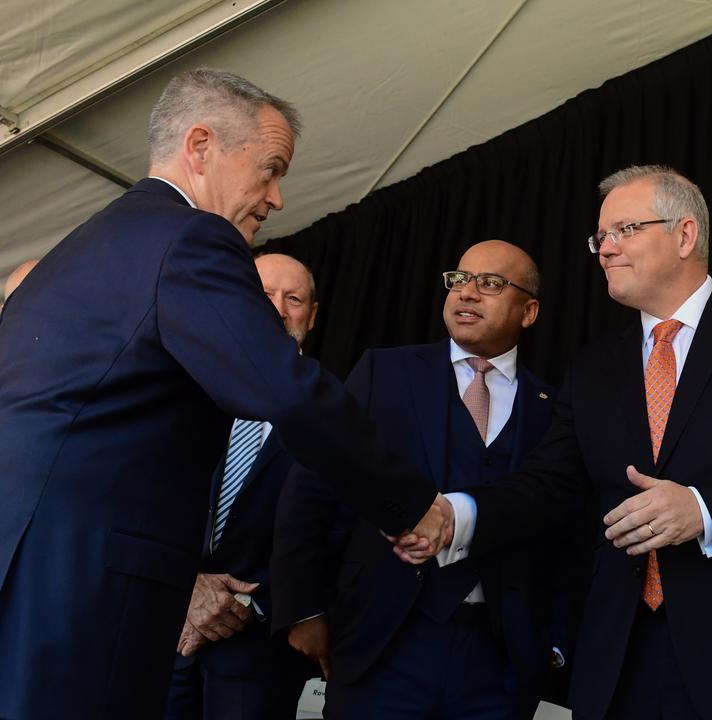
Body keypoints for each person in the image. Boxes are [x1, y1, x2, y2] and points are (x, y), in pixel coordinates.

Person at [0, 69, 449, 719]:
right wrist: (409, 502)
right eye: (269, 170)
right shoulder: (190, 238)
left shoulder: (84, 247)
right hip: (87, 582)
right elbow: (287, 392)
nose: (277, 199)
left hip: (29, 563)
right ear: (201, 146)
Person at [400, 166, 712, 720]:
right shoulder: (596, 365)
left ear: (685, 235)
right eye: (600, 238)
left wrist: (703, 508)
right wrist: (457, 513)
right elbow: (550, 484)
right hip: (622, 662)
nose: (604, 250)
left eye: (624, 230)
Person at [271, 240, 585, 719]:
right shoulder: (384, 371)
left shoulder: (553, 407)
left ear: (530, 311)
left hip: (499, 660)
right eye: (459, 280)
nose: (468, 293)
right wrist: (303, 608)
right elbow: (314, 487)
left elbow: (566, 530)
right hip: (382, 642)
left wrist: (554, 644)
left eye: (491, 284)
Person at [165, 253, 321, 719]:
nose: (276, 308)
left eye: (292, 299)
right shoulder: (180, 390)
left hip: (260, 653)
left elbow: (337, 531)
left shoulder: (332, 412)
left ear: (311, 316)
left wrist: (248, 605)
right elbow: (143, 500)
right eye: (263, 294)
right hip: (164, 636)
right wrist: (186, 587)